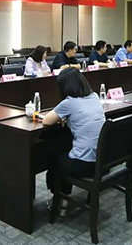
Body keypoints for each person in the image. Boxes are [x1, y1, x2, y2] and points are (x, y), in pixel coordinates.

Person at [42, 68, 106, 203]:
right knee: (65, 144)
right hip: (103, 160)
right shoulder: (94, 96)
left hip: (85, 165)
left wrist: (63, 118)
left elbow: (46, 121)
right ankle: (62, 196)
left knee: (54, 156)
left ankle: (59, 200)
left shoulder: (69, 102)